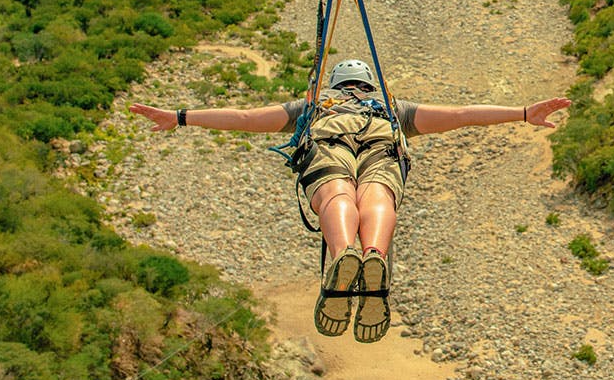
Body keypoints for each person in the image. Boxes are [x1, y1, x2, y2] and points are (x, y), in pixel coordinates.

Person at [130, 59, 571, 343]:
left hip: (327, 143)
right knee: (377, 195)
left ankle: (344, 251)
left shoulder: (313, 108)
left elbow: (245, 119)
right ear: (367, 85)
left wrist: (181, 118)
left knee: (335, 191)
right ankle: (375, 251)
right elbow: (461, 116)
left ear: (337, 85)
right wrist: (522, 113)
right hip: (382, 145)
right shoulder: (393, 110)